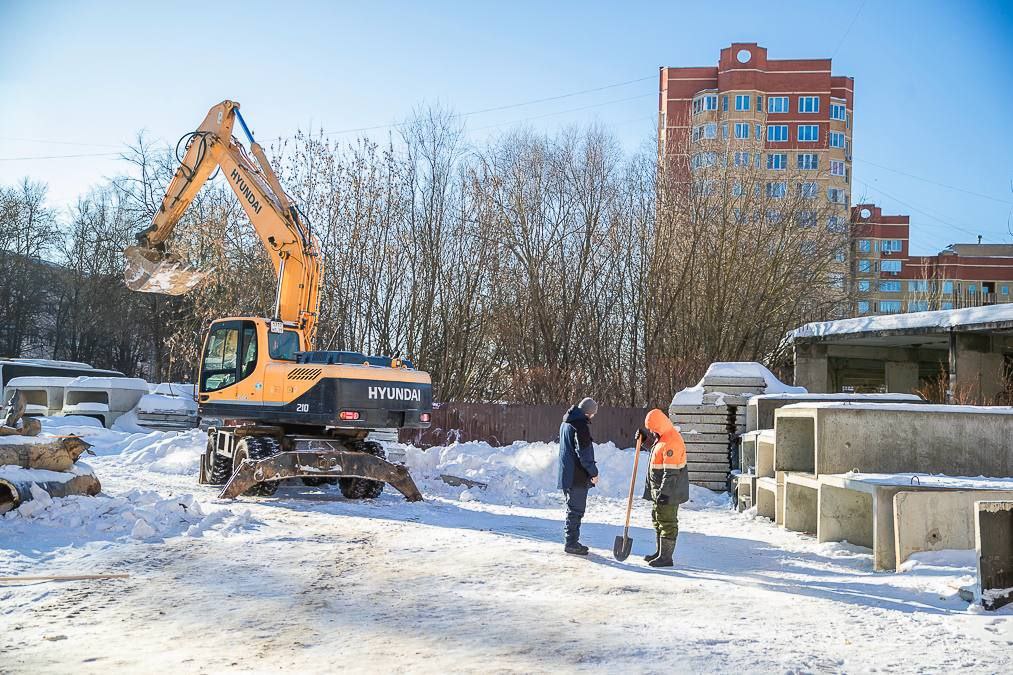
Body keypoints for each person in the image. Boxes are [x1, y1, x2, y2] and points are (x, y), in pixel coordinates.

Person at [636, 408, 689, 567]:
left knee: (667, 522)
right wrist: (644, 441)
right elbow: (657, 454)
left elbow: (670, 473)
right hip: (659, 491)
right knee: (658, 519)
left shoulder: (671, 440)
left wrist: (664, 494)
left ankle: (666, 557)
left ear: (658, 426)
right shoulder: (663, 438)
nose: (651, 431)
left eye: (652, 429)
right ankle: (660, 553)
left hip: (668, 492)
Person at [557, 397, 600, 555]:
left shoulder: (566, 423)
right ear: (589, 413)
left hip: (567, 473)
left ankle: (571, 541)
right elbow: (584, 453)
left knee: (572, 509)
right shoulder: (580, 426)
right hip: (577, 476)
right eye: (593, 414)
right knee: (576, 510)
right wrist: (593, 472)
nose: (593, 417)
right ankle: (571, 543)